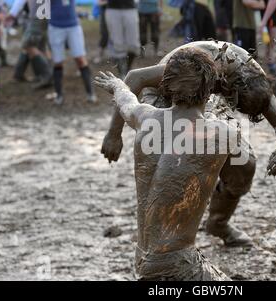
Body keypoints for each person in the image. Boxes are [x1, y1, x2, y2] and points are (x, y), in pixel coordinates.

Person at [99, 41, 276, 248]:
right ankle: (163, 232)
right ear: (230, 91)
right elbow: (135, 77)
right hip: (163, 95)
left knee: (244, 164)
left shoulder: (254, 76)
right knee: (181, 157)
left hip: (209, 101)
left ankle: (219, 223)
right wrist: (114, 133)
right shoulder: (200, 67)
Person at [95, 48, 235, 281]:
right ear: (209, 90)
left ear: (166, 87)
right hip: (177, 264)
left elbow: (126, 101)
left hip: (143, 258)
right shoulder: (221, 133)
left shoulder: (145, 117)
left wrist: (117, 85)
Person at [49, 0, 96, 105]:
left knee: (80, 59)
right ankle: (59, 95)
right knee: (57, 61)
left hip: (73, 25)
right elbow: (41, 9)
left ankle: (90, 94)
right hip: (55, 26)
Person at [6, 0, 52, 88]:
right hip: (43, 14)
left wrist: (12, 14)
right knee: (41, 46)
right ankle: (39, 75)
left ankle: (47, 75)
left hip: (39, 14)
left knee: (27, 44)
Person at [105, 0, 140, 78]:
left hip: (130, 8)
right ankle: (122, 73)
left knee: (133, 45)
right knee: (118, 43)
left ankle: (128, 68)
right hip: (113, 9)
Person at [92, 0, 109, 64]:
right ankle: (99, 55)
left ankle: (117, 56)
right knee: (104, 36)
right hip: (105, 14)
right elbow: (99, 3)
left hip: (117, 13)